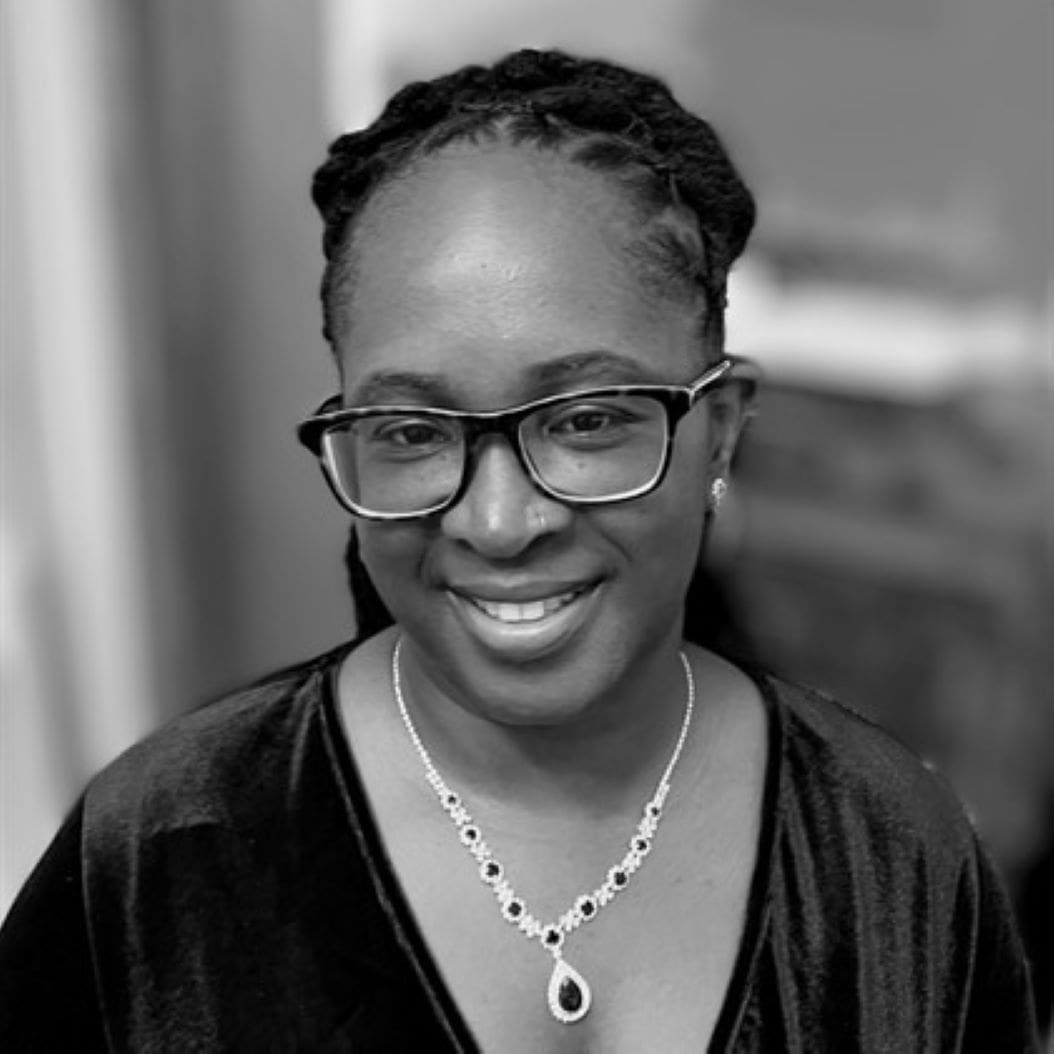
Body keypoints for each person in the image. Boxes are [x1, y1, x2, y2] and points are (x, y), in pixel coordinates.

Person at [0, 48, 1038, 1052]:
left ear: (719, 431)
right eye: (412, 432)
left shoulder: (892, 860)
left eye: (585, 421)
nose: (497, 523)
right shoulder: (157, 862)